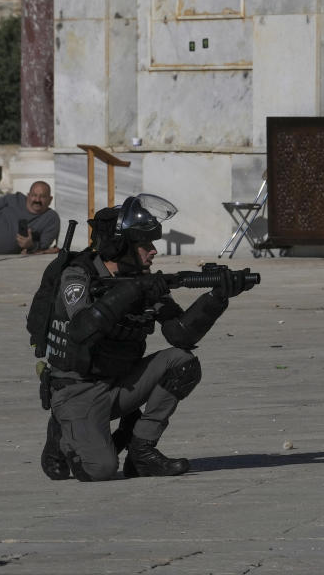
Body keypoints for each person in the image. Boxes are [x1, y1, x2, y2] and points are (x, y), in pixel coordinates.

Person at [37, 194, 256, 481]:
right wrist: (133, 292)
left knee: (182, 362)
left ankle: (142, 451)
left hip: (119, 384)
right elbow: (81, 328)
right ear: (121, 248)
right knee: (99, 470)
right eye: (145, 245)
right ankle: (61, 432)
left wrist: (217, 297)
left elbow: (180, 334)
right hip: (78, 389)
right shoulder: (78, 276)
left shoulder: (144, 280)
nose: (153, 252)